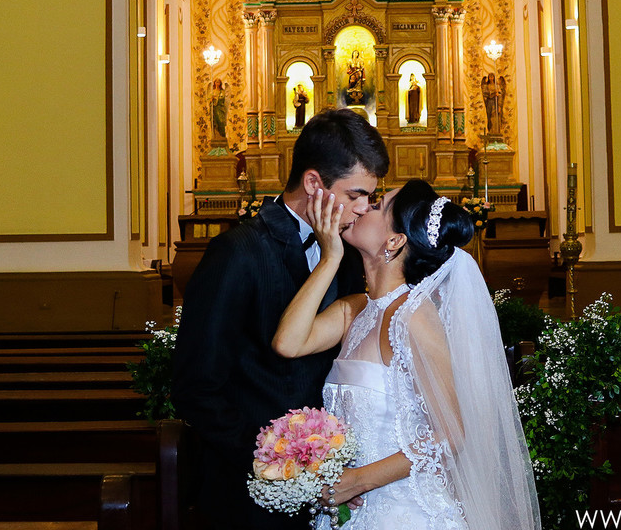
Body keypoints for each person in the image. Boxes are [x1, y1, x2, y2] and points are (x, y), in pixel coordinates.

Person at [273, 179, 541, 529]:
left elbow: (451, 433)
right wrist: (330, 258)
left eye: (377, 205)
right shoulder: (355, 309)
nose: (362, 207)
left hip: (404, 512)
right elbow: (288, 343)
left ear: (394, 241)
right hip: (351, 509)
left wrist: (359, 480)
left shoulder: (414, 316)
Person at [173, 108, 390, 530]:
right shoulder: (237, 252)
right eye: (354, 195)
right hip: (251, 494)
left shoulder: (350, 253)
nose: (364, 209)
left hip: (334, 486)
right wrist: (274, 461)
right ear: (313, 184)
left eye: (369, 197)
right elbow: (195, 386)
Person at [211, 78, 227, 145]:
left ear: (220, 83)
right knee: (215, 122)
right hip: (215, 108)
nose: (217, 83)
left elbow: (222, 98)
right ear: (214, 83)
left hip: (220, 108)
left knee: (221, 121)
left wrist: (216, 97)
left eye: (218, 82)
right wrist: (211, 99)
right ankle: (217, 136)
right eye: (216, 82)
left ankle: (222, 136)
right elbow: (209, 100)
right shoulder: (213, 91)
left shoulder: (222, 91)